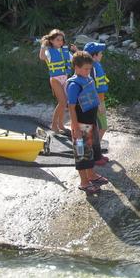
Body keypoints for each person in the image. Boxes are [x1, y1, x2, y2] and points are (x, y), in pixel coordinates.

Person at [66, 51, 109, 195]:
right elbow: (71, 107)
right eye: (85, 69)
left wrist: (99, 109)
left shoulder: (88, 78)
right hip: (80, 125)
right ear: (76, 67)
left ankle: (91, 175)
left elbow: (93, 96)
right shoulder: (73, 85)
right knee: (82, 154)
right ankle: (84, 182)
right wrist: (75, 127)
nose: (88, 71)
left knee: (91, 151)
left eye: (89, 69)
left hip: (91, 122)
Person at [39, 29, 75, 135]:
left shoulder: (65, 51)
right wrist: (43, 46)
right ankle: (54, 125)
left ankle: (61, 124)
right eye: (57, 40)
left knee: (64, 103)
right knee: (62, 102)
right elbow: (41, 57)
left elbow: (74, 60)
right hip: (55, 79)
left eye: (61, 40)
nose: (60, 42)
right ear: (52, 41)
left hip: (65, 78)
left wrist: (77, 51)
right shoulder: (48, 51)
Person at [83, 42, 109, 141]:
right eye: (100, 53)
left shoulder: (92, 66)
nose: (102, 54)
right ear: (94, 56)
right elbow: (92, 88)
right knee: (102, 127)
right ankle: (95, 150)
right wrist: (99, 104)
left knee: (94, 127)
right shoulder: (92, 68)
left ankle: (92, 149)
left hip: (94, 101)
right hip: (96, 101)